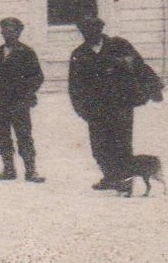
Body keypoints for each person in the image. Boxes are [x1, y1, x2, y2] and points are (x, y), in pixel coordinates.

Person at [68, 15, 162, 191]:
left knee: (122, 143)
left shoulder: (119, 45)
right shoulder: (79, 54)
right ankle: (110, 177)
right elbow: (74, 85)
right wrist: (80, 108)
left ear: (100, 29)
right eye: (84, 30)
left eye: (93, 29)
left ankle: (124, 180)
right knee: (99, 146)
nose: (89, 33)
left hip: (121, 103)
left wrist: (154, 86)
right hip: (95, 108)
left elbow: (139, 66)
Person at [0, 17, 46, 183]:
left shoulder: (27, 53)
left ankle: (31, 171)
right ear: (1, 32)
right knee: (1, 136)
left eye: (12, 30)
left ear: (19, 32)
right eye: (4, 30)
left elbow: (37, 77)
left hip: (19, 104)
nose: (8, 33)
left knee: (24, 136)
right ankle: (8, 169)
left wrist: (25, 94)